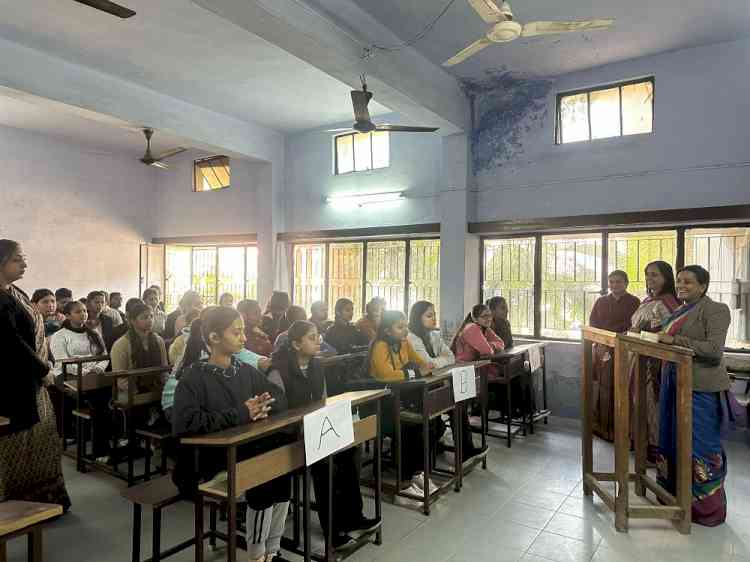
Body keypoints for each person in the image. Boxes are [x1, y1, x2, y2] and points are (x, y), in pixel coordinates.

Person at [172, 306, 288, 562]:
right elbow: (186, 424)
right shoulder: (193, 378)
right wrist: (242, 413)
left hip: (242, 449)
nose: (244, 338)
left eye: (243, 332)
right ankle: (257, 556)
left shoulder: (243, 370)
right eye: (236, 333)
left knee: (283, 464)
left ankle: (272, 551)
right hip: (208, 461)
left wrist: (263, 405)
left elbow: (278, 397)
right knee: (264, 470)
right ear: (214, 338)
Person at [267, 321, 380, 550]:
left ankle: (353, 517)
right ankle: (333, 530)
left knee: (349, 452)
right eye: (311, 337)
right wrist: (308, 428)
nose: (318, 341)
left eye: (317, 335)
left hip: (315, 428)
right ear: (296, 344)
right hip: (288, 435)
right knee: (325, 464)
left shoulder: (317, 366)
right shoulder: (278, 370)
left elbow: (323, 400)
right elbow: (277, 414)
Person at [657, 265, 735, 527]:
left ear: (703, 286)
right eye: (679, 281)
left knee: (700, 444)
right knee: (672, 439)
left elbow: (713, 350)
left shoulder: (715, 310)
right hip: (673, 382)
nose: (681, 285)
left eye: (688, 282)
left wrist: (675, 341)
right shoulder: (679, 310)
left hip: (700, 387)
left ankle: (707, 509)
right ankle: (674, 496)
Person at [0, 239, 71, 510]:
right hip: (11, 385)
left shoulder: (14, 291)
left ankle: (39, 502)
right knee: (15, 446)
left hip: (30, 379)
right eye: (18, 259)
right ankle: (16, 507)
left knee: (39, 442)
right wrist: (44, 370)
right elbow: (10, 343)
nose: (25, 263)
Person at [369, 310, 438, 496]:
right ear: (387, 331)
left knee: (433, 424)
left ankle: (416, 472)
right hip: (380, 403)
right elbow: (386, 375)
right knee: (409, 427)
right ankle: (405, 480)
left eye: (406, 326)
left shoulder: (404, 343)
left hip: (402, 399)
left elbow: (422, 363)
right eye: (400, 327)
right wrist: (415, 372)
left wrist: (426, 367)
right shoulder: (380, 346)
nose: (405, 330)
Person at [407, 302, 486, 461]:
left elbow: (450, 357)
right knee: (451, 407)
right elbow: (426, 363)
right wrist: (436, 363)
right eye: (429, 316)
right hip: (417, 389)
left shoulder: (433, 335)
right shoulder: (411, 338)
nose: (434, 318)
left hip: (436, 383)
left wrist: (436, 363)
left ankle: (465, 449)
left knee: (459, 405)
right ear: (417, 318)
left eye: (435, 314)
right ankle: (446, 445)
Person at [629, 261, 680, 461]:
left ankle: (656, 450)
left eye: (655, 275)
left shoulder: (668, 303)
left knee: (652, 405)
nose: (650, 279)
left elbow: (670, 334)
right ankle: (640, 443)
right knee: (638, 402)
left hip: (654, 363)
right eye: (648, 274)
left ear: (666, 278)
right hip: (637, 358)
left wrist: (642, 332)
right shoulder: (647, 300)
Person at [49, 300, 112, 459]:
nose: (83, 314)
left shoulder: (93, 333)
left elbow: (104, 356)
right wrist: (85, 371)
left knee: (107, 398)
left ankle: (105, 443)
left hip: (93, 374)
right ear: (68, 315)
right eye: (78, 312)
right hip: (66, 375)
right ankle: (101, 450)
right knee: (99, 401)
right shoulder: (59, 335)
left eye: (84, 311)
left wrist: (97, 368)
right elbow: (62, 361)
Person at [588, 270, 641, 441]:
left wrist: (619, 339)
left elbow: (636, 327)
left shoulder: (634, 302)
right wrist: (600, 343)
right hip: (602, 349)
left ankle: (621, 431)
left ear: (626, 283)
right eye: (611, 282)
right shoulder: (601, 301)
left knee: (622, 389)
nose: (614, 285)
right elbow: (593, 324)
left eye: (618, 281)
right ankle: (602, 428)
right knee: (603, 388)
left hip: (625, 349)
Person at [110, 301, 168, 399]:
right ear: (133, 321)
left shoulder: (159, 340)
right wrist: (140, 394)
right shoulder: (121, 345)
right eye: (145, 317)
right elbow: (120, 379)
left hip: (156, 386)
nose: (150, 320)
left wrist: (167, 387)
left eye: (151, 316)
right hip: (131, 391)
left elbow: (164, 369)